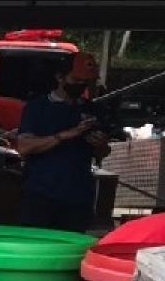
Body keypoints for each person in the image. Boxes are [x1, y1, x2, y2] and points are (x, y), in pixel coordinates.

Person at [15, 52, 112, 233]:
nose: (81, 86)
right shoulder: (38, 107)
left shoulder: (93, 109)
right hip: (41, 194)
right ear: (60, 77)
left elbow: (103, 152)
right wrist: (64, 135)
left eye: (86, 82)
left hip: (78, 197)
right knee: (37, 248)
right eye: (76, 81)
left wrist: (100, 145)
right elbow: (24, 147)